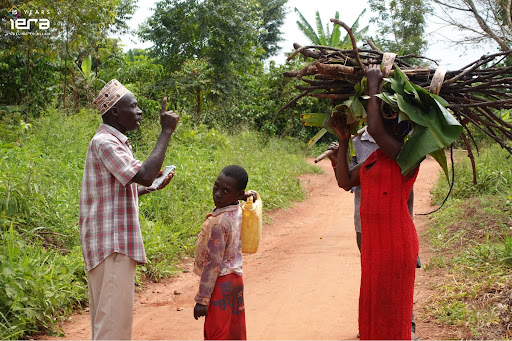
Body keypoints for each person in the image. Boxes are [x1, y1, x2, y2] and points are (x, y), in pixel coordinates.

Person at [79, 79, 179, 340]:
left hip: (110, 245)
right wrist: (166, 131)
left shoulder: (113, 142)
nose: (139, 111)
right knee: (113, 329)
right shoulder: (106, 142)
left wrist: (150, 186)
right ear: (114, 112)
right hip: (112, 246)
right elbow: (144, 174)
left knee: (108, 323)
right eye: (133, 106)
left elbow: (123, 187)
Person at [330, 65, 420, 340]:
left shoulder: (406, 156)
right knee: (373, 304)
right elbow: (345, 181)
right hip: (373, 243)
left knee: (391, 309)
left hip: (395, 243)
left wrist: (373, 83)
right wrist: (344, 142)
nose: (379, 125)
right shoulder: (375, 159)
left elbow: (375, 130)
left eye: (386, 118)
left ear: (400, 126)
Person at [193, 165, 256, 340]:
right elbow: (253, 197)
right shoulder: (238, 208)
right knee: (234, 331)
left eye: (226, 191)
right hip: (236, 281)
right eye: (216, 186)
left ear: (237, 194)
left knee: (217, 333)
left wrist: (202, 299)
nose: (218, 194)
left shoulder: (219, 224)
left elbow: (212, 263)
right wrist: (246, 195)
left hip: (220, 284)